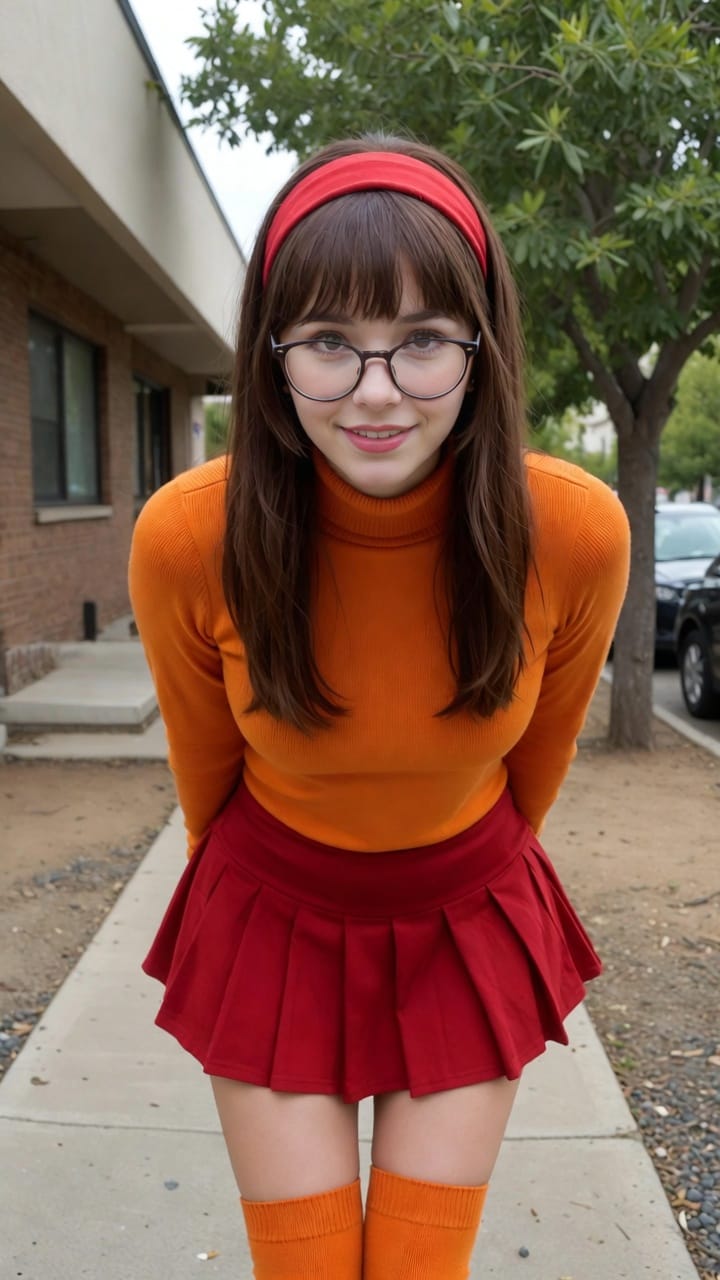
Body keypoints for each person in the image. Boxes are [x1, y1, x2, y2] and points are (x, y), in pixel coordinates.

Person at [128, 134, 630, 1280]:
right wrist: (244, 931)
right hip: (272, 904)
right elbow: (207, 780)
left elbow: (532, 770)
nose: (375, 393)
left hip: (465, 906)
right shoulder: (188, 537)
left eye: (421, 343)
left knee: (415, 1267)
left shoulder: (577, 530)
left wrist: (472, 882)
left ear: (483, 344)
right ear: (270, 352)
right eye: (327, 345)